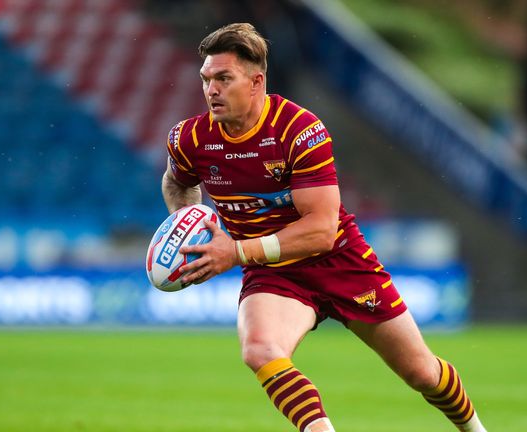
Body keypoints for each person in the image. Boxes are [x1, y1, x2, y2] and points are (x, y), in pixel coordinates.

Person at [161, 23, 487, 432]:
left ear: (256, 81)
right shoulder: (191, 137)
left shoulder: (299, 129)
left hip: (338, 260)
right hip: (272, 272)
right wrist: (191, 221)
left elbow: (320, 231)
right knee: (261, 349)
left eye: (224, 79)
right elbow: (177, 181)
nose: (211, 90)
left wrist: (236, 251)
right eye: (207, 79)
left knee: (422, 373)